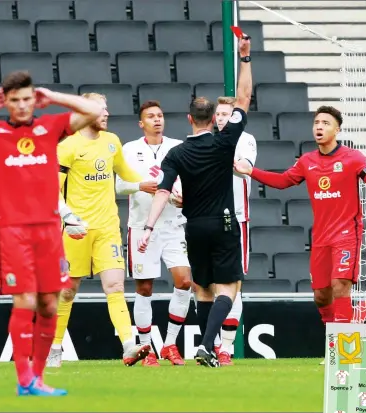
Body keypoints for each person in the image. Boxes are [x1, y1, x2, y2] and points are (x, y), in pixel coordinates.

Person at [0, 71, 102, 395]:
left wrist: (53, 96)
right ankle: (24, 379)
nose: (21, 106)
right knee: (26, 300)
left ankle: (38, 378)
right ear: (6, 102)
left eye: (27, 99)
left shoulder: (51, 127)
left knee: (49, 304)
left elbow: (91, 112)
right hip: (13, 230)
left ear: (35, 100)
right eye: (14, 100)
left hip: (47, 229)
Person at [138, 35, 253, 368]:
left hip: (193, 228)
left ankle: (207, 349)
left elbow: (162, 191)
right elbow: (244, 96)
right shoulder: (225, 141)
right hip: (225, 222)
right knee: (228, 288)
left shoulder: (176, 152)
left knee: (202, 289)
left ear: (189, 119)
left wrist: (147, 228)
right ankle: (208, 346)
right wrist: (244, 58)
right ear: (212, 119)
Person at [234, 105, 366, 328]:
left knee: (340, 284)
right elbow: (282, 181)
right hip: (321, 237)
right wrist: (252, 171)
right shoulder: (307, 161)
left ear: (337, 130)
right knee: (321, 295)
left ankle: (343, 349)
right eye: (316, 123)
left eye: (325, 123)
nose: (319, 127)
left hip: (347, 234)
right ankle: (332, 344)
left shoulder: (353, 158)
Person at [46, 92, 150, 368]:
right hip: (76, 229)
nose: (106, 114)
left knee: (115, 286)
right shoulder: (68, 146)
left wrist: (158, 184)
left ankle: (128, 345)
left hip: (107, 227)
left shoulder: (112, 142)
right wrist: (68, 218)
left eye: (106, 109)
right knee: (68, 291)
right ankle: (55, 347)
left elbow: (127, 174)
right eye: (100, 110)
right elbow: (50, 190)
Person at [115, 100, 192, 367]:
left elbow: (189, 179)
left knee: (184, 281)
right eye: (151, 116)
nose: (157, 119)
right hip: (140, 226)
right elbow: (119, 185)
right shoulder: (130, 149)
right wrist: (140, 185)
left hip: (173, 226)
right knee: (144, 288)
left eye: (160, 115)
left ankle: (170, 344)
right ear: (141, 123)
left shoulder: (177, 146)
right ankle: (147, 349)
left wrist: (184, 197)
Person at [212, 96, 257, 365]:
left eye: (226, 114)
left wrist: (224, 160)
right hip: (208, 218)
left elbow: (246, 170)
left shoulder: (245, 139)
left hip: (236, 219)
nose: (220, 118)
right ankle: (212, 344)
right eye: (217, 114)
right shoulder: (207, 139)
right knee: (206, 285)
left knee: (233, 285)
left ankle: (226, 347)